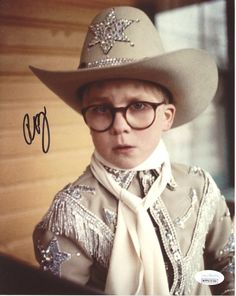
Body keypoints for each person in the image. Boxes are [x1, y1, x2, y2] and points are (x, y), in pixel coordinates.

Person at [30, 6, 234, 295]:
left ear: (167, 116)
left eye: (138, 106)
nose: (119, 126)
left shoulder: (198, 187)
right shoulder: (70, 214)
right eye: (102, 109)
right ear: (87, 117)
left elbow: (229, 261)